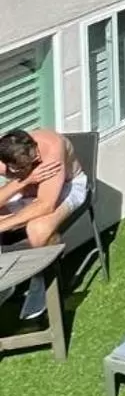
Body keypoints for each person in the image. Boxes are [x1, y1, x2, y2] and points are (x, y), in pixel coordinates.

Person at [0, 127, 88, 321]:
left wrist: (3, 225)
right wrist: (25, 181)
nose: (37, 162)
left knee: (38, 229)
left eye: (35, 158)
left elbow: (45, 205)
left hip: (67, 187)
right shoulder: (4, 159)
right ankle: (4, 286)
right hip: (26, 190)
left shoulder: (51, 149)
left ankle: (43, 281)